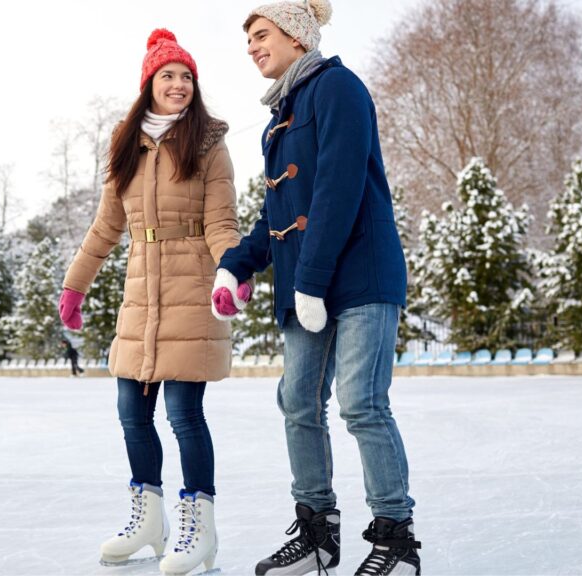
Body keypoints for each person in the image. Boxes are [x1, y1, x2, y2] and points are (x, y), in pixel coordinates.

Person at [212, 1, 422, 575]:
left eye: (261, 34)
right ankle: (317, 533)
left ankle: (396, 539)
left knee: (361, 404)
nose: (252, 46)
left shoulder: (339, 89)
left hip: (358, 276)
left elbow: (337, 190)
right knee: (298, 402)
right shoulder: (281, 115)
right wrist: (237, 264)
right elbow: (278, 211)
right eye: (248, 40)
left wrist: (309, 280)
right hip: (309, 287)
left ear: (297, 35)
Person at [58, 28, 251, 576]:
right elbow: (105, 226)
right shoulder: (126, 145)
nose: (179, 84)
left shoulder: (209, 143)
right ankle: (148, 520)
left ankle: (200, 530)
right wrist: (76, 284)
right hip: (141, 297)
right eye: (168, 75)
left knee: (185, 416)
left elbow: (221, 223)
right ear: (148, 84)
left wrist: (232, 270)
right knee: (131, 414)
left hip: (191, 291)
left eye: (187, 76)